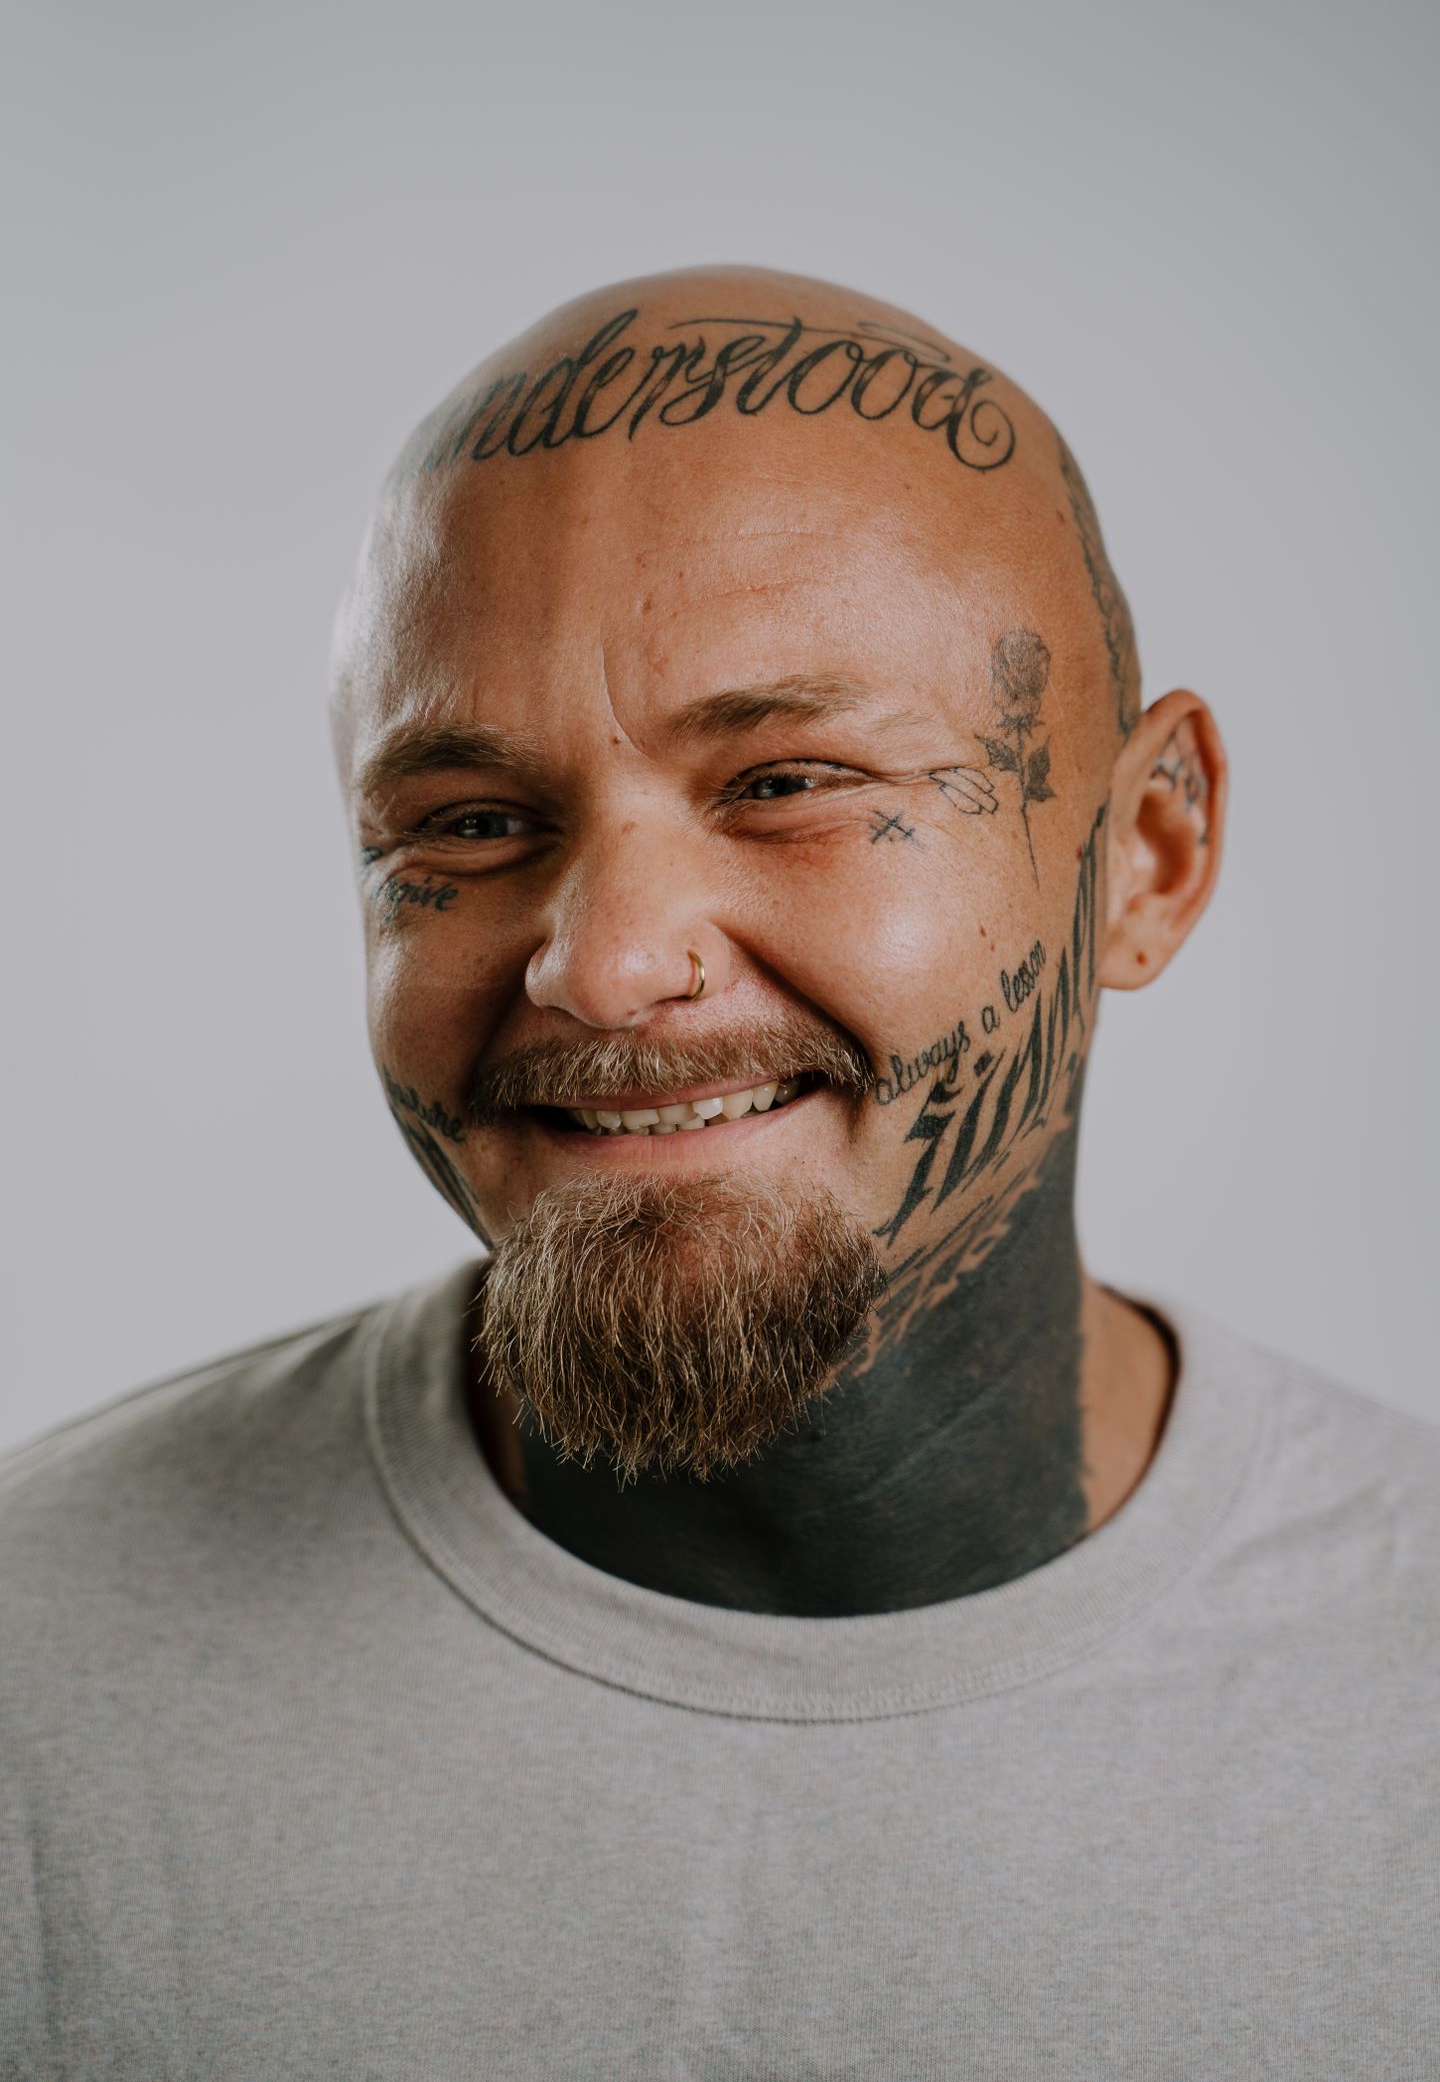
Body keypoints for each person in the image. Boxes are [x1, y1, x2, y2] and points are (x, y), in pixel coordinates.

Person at [3, 268, 1435, 2078]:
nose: (606, 967)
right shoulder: (35, 1680)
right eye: (468, 825)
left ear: (1148, 851)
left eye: (786, 782)